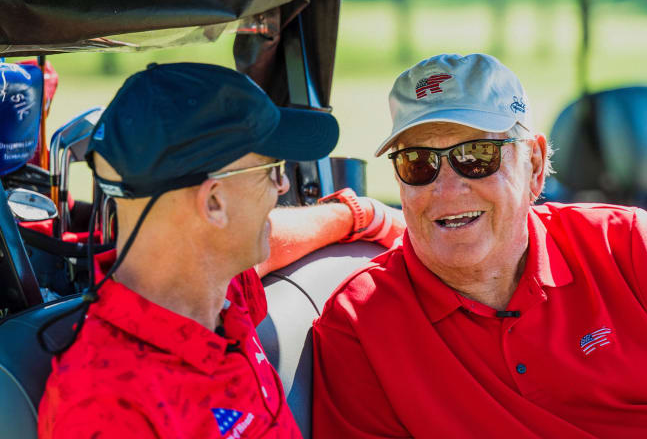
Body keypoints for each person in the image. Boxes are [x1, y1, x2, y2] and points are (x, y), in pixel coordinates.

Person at [311, 53, 647, 438]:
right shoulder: (358, 323)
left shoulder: (625, 244)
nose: (447, 189)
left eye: (476, 157)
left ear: (536, 165)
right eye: (419, 163)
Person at [37, 62, 400, 438]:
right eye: (272, 169)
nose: (280, 187)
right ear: (213, 203)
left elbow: (275, 236)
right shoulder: (105, 405)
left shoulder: (220, 290)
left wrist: (360, 215)